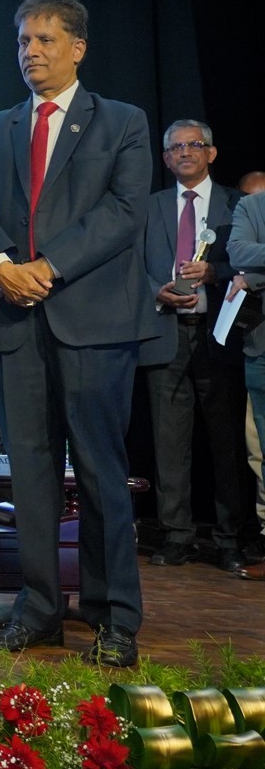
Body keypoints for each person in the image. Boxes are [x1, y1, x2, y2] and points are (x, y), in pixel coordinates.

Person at [0, 0, 151, 667]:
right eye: (23, 41)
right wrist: (4, 266)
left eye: (44, 40)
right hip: (14, 323)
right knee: (31, 477)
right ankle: (38, 609)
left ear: (78, 48)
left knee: (100, 474)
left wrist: (49, 266)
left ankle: (112, 617)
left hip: (92, 325)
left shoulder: (122, 122)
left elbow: (124, 212)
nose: (31, 52)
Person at [136, 119, 252, 573]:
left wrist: (215, 271)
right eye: (175, 147)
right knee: (168, 443)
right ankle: (176, 536)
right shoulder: (148, 206)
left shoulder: (238, 204)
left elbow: (252, 260)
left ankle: (229, 538)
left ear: (211, 153)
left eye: (194, 145)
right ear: (166, 158)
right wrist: (156, 291)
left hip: (219, 334)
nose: (184, 152)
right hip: (164, 331)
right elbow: (130, 265)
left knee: (226, 442)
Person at [230, 192, 265, 576]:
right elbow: (237, 250)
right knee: (262, 452)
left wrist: (253, 278)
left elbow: (248, 266)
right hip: (262, 346)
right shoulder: (252, 207)